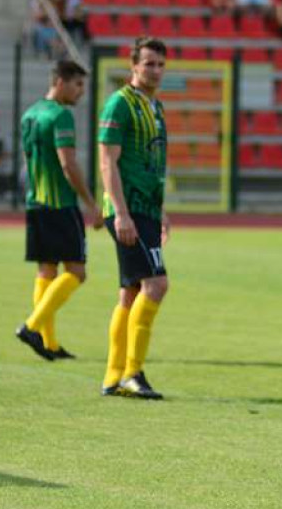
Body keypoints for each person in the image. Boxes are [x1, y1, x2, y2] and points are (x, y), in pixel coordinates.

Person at [98, 36, 171, 400]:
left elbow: (152, 164)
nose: (155, 71)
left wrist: (160, 210)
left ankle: (114, 376)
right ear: (133, 66)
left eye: (160, 65)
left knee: (130, 292)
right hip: (128, 209)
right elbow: (107, 160)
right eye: (148, 64)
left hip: (146, 209)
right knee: (156, 285)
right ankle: (132, 372)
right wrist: (122, 213)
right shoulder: (120, 104)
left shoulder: (155, 107)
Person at [15, 60, 101, 361]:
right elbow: (68, 164)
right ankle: (31, 327)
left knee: (46, 271)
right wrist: (91, 204)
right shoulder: (61, 115)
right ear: (60, 82)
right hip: (60, 204)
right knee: (77, 272)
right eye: (78, 84)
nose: (81, 92)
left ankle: (49, 343)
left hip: (35, 203)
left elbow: (29, 159)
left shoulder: (29, 114)